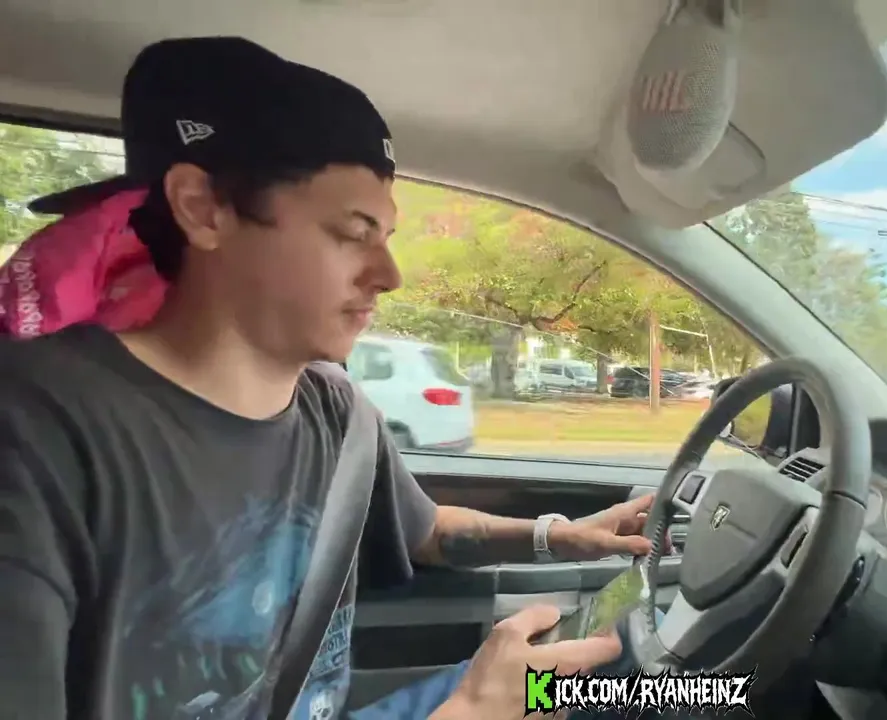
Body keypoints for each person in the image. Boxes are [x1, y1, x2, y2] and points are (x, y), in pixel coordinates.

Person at [0, 36, 665, 720]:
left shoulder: (335, 411)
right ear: (203, 209)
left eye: (386, 236)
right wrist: (468, 712)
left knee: (633, 674)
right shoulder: (36, 432)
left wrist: (562, 535)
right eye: (352, 232)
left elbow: (430, 531)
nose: (389, 275)